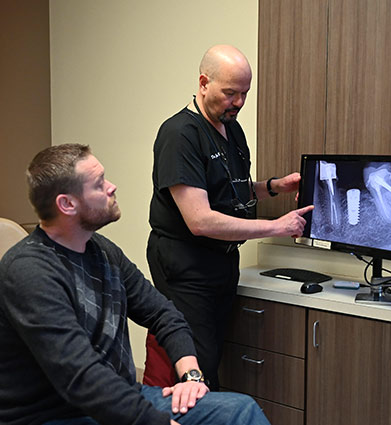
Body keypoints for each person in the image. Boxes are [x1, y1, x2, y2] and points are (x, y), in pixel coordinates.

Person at [0, 143, 271, 425]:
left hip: (121, 396)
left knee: (240, 410)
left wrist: (191, 377)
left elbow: (163, 313)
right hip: (55, 414)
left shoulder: (103, 252)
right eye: (99, 184)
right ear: (67, 204)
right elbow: (81, 377)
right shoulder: (28, 272)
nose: (112, 187)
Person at [145, 44, 314, 390]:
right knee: (196, 366)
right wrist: (276, 226)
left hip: (221, 264)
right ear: (204, 82)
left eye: (245, 94)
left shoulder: (231, 129)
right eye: (230, 93)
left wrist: (273, 186)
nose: (238, 102)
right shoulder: (180, 135)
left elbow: (229, 190)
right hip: (186, 266)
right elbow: (201, 219)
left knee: (211, 354)